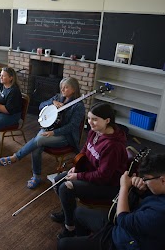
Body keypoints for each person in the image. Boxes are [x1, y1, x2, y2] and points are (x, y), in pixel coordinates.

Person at [58, 154, 165, 250]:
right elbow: (156, 199)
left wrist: (124, 187)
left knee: (62, 245)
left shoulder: (164, 213)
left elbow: (123, 219)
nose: (144, 182)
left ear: (163, 180)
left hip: (125, 242)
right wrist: (141, 190)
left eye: (147, 179)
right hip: (128, 228)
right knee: (78, 212)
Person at [51, 102, 128, 239]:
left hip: (107, 185)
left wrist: (78, 176)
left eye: (95, 119)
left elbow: (103, 176)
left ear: (107, 120)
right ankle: (67, 211)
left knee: (65, 188)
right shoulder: (95, 132)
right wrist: (76, 165)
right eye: (89, 118)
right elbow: (85, 149)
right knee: (58, 180)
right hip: (91, 173)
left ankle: (70, 227)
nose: (90, 122)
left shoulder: (113, 146)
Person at [0, 77, 84, 189]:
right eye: (61, 87)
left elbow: (72, 127)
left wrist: (54, 132)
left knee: (39, 140)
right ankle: (36, 176)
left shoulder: (78, 106)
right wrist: (52, 102)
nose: (62, 89)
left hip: (65, 136)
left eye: (66, 87)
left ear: (74, 90)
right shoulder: (58, 97)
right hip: (50, 130)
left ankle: (15, 157)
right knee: (37, 146)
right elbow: (41, 105)